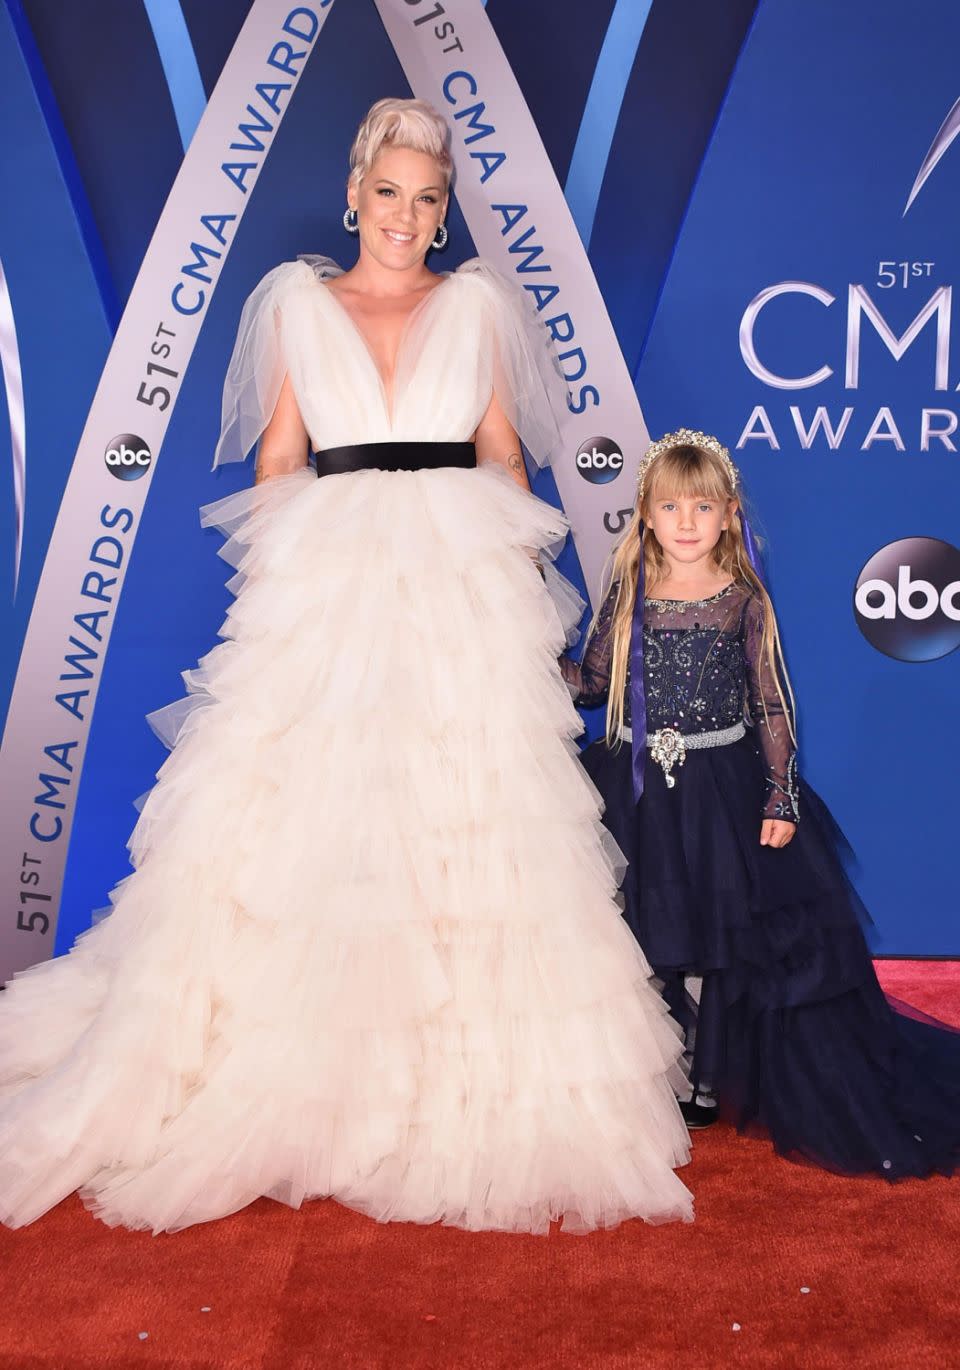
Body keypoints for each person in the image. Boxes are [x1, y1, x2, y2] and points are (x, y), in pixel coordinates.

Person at [0, 100, 692, 1235]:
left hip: (457, 585)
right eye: (390, 194)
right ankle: (294, 1069)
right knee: (309, 818)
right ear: (355, 195)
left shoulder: (474, 306)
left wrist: (526, 606)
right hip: (331, 581)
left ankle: (448, 1075)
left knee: (459, 813)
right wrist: (285, 605)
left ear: (444, 209)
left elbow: (503, 452)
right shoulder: (295, 306)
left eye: (428, 199)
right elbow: (281, 457)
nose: (407, 218)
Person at [563, 427, 960, 1176]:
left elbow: (771, 703)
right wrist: (520, 663)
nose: (686, 522)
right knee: (646, 932)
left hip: (723, 789)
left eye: (703, 507)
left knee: (716, 937)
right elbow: (592, 683)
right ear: (645, 514)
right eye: (671, 506)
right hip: (637, 788)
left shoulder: (742, 601)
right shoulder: (627, 593)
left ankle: (710, 1079)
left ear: (729, 515)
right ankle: (661, 1069)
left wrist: (779, 797)